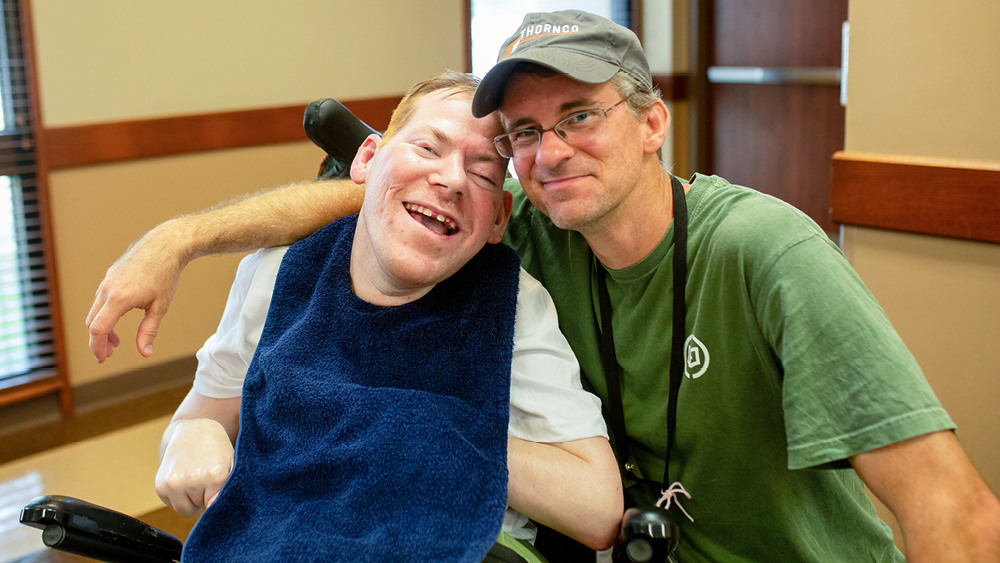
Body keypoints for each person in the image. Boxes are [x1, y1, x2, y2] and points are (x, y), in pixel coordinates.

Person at [88, 10, 1000, 563]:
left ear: (652, 123)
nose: (549, 150)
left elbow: (955, 510)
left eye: (578, 116)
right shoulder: (528, 225)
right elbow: (364, 209)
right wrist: (179, 237)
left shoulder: (764, 253)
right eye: (524, 133)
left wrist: (410, 421)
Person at [150, 70, 622, 562]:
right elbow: (199, 419)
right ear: (368, 159)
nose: (452, 179)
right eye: (427, 148)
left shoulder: (512, 305)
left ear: (499, 217)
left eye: (483, 173)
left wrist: (429, 432)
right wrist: (193, 436)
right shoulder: (276, 274)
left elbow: (597, 509)